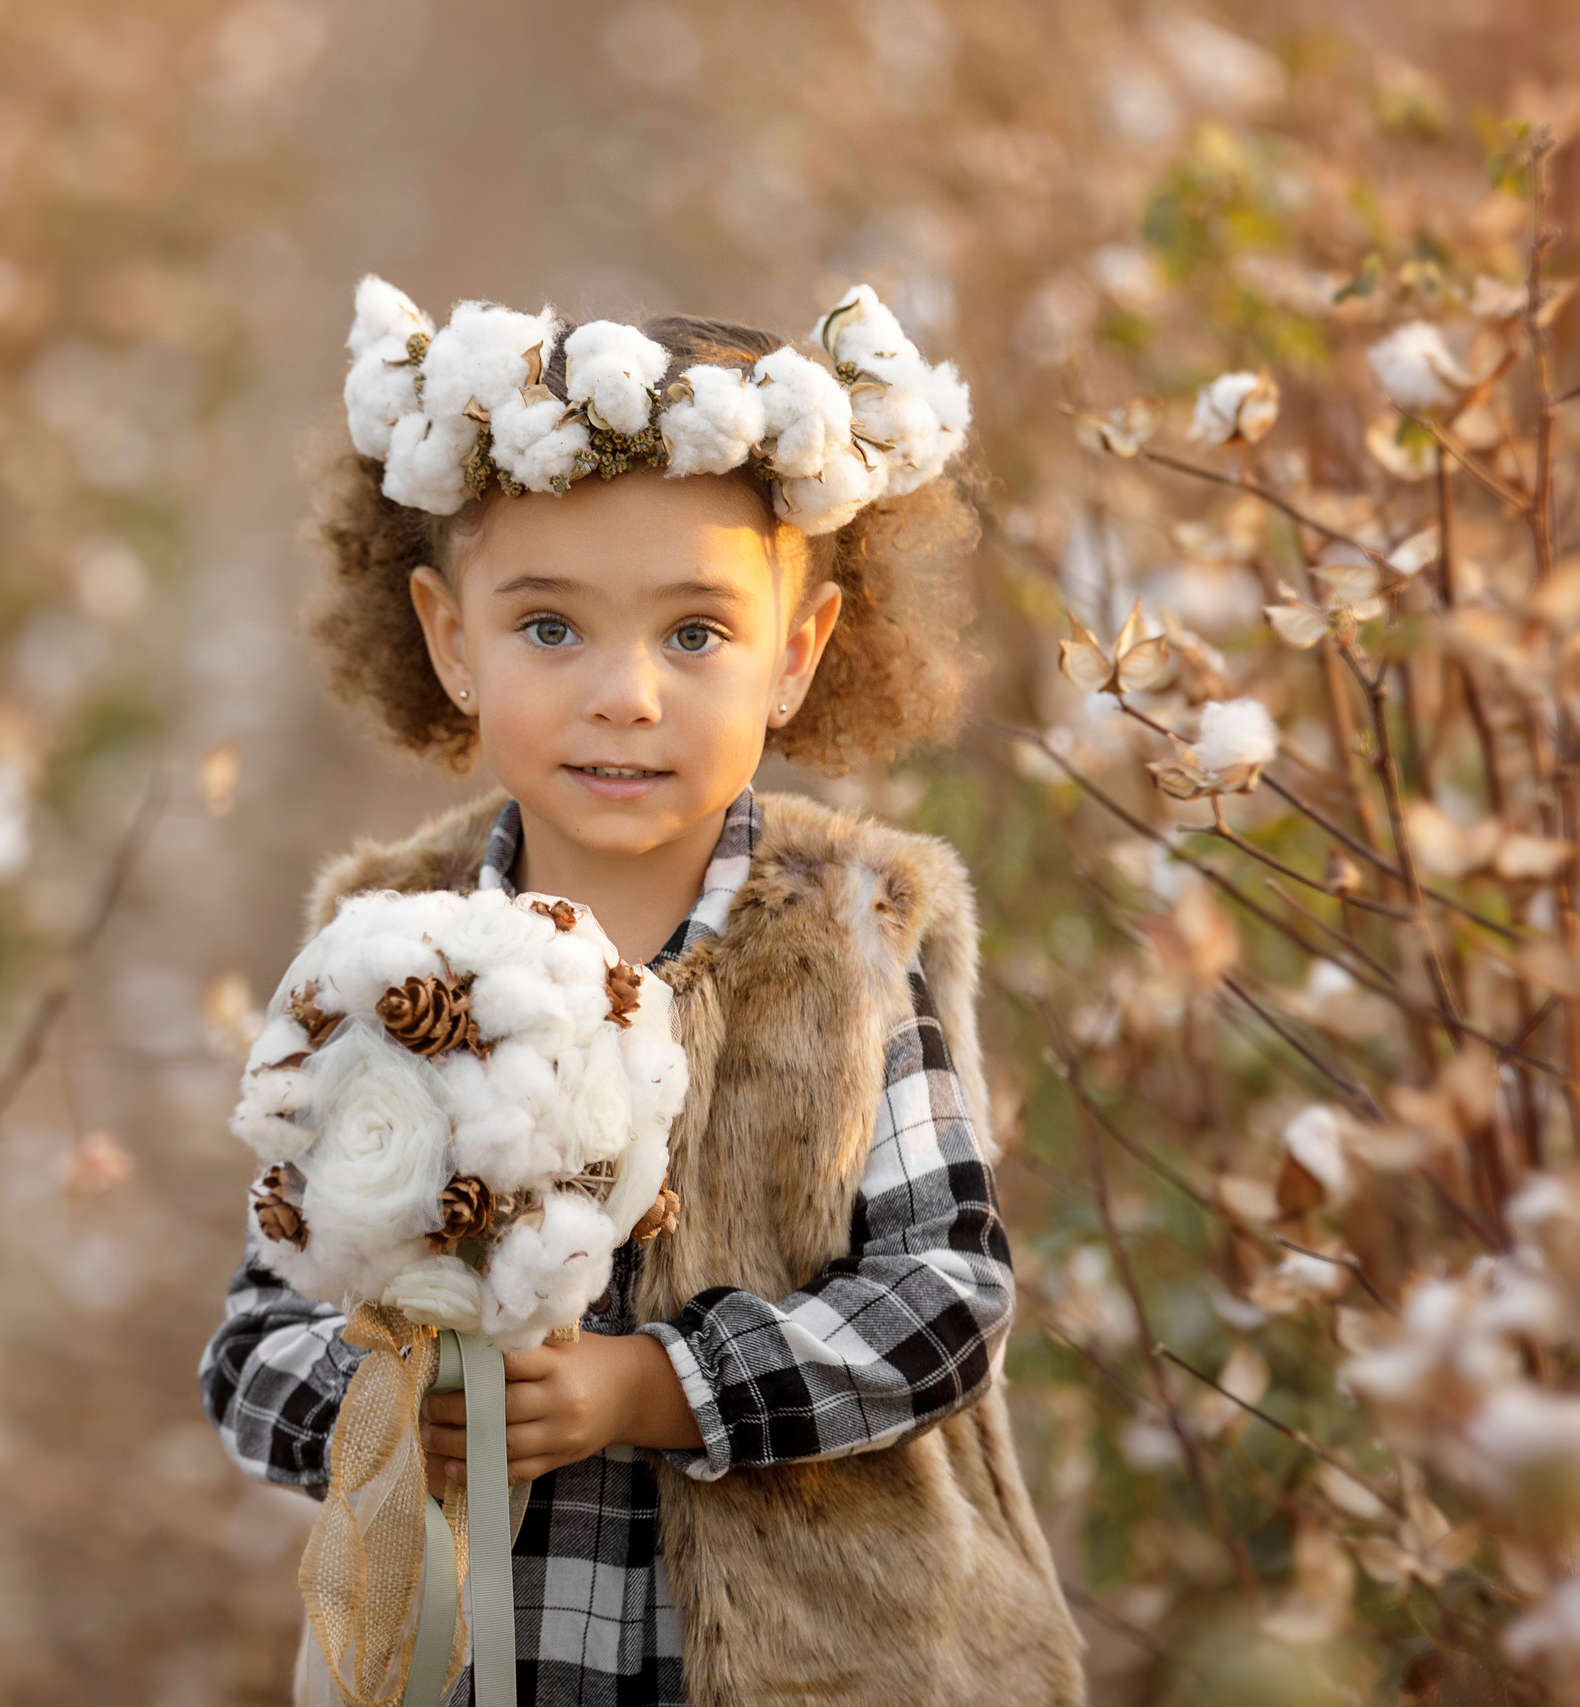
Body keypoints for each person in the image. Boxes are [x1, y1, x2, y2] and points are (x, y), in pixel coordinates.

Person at [201, 279, 1083, 1707]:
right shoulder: (393, 957)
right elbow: (256, 1339)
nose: (626, 694)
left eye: (694, 635)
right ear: (451, 641)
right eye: (551, 628)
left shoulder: (848, 943)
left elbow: (946, 1296)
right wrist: (389, 1404)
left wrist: (658, 1388)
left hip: (820, 1666)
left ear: (794, 654)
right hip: (475, 1662)